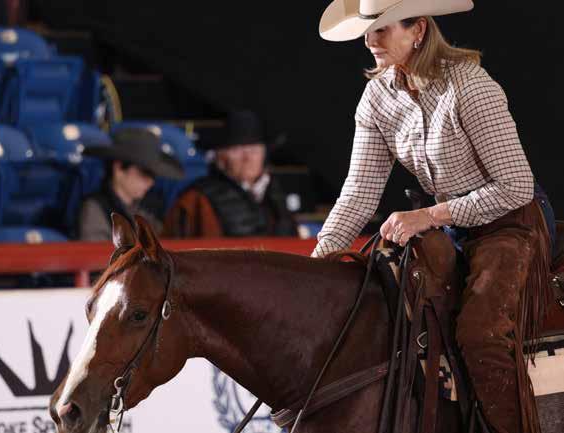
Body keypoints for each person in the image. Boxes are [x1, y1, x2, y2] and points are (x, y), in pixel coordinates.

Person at [313, 1, 556, 433]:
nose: (369, 40)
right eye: (367, 30)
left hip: (512, 222)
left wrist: (429, 214)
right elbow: (359, 192)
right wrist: (320, 257)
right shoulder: (377, 97)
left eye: (382, 29)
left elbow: (515, 186)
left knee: (480, 334)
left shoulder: (470, 85)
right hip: (452, 227)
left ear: (419, 30)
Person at [162, 110, 298, 238]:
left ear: (264, 154)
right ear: (220, 157)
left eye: (254, 150)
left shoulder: (277, 196)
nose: (248, 158)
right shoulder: (195, 200)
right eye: (237, 150)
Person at [78, 127, 184, 241]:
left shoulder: (149, 208)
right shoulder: (95, 209)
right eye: (145, 172)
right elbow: (97, 251)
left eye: (153, 175)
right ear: (119, 168)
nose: (151, 182)